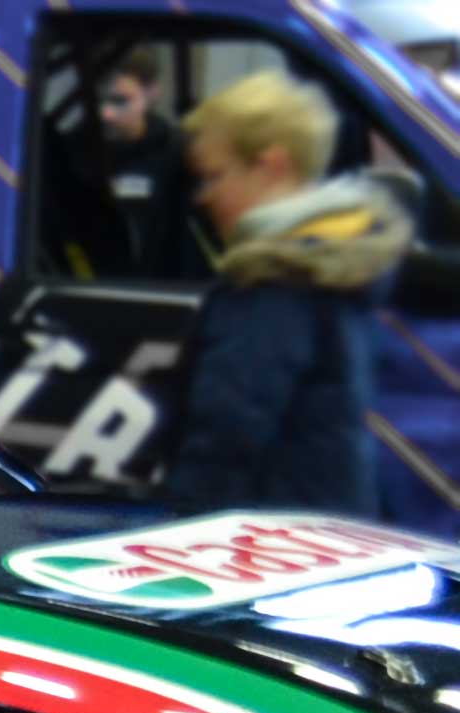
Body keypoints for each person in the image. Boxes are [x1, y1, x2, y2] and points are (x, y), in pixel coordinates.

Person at [162, 70, 409, 514]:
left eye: (215, 176)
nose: (203, 197)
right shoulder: (334, 259)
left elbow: (227, 432)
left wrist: (181, 521)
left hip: (264, 531)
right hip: (328, 523)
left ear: (272, 166)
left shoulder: (274, 279)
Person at [48, 48, 203, 280]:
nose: (106, 114)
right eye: (97, 100)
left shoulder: (175, 155)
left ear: (152, 94)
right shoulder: (67, 157)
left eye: (120, 101)